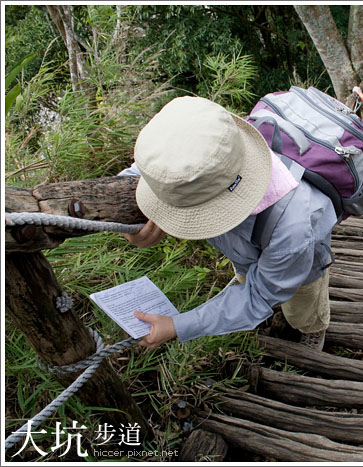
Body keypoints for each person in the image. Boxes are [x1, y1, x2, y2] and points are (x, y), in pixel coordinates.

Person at [118, 96, 336, 351]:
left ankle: (313, 328)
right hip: (243, 247)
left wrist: (179, 325)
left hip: (305, 257)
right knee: (247, 277)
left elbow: (259, 296)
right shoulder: (193, 148)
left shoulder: (293, 227)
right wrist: (127, 225)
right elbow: (140, 173)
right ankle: (250, 303)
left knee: (304, 303)